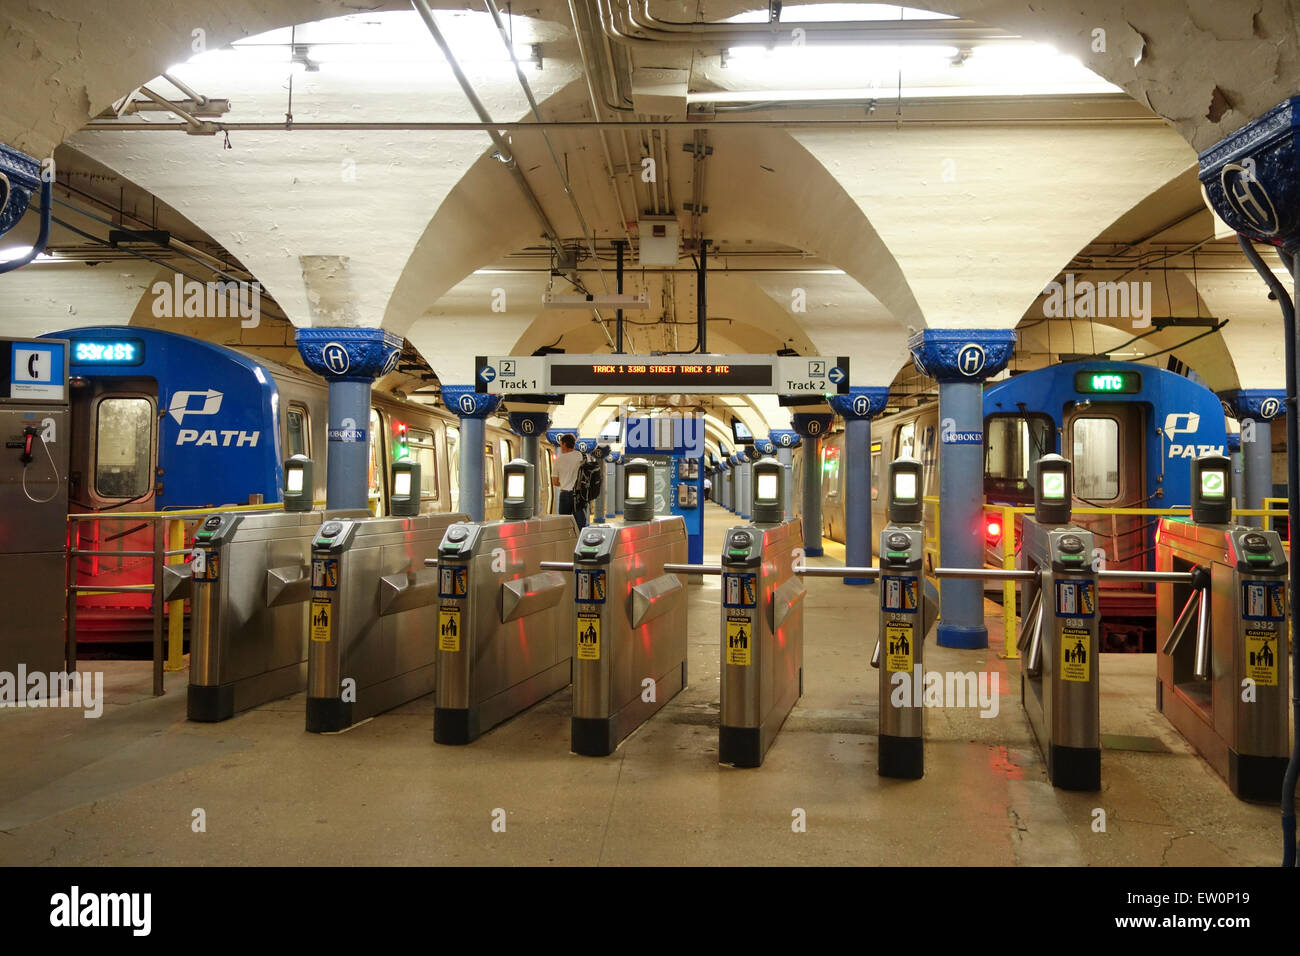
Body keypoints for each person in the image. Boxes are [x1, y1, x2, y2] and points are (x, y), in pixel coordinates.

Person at [553, 434, 583, 528]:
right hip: (579, 495)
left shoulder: (559, 460)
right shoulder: (581, 456)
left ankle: (567, 541)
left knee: (564, 522)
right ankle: (579, 540)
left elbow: (555, 482)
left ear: (565, 444)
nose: (561, 447)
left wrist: (564, 482)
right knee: (580, 522)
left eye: (561, 444)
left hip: (565, 494)